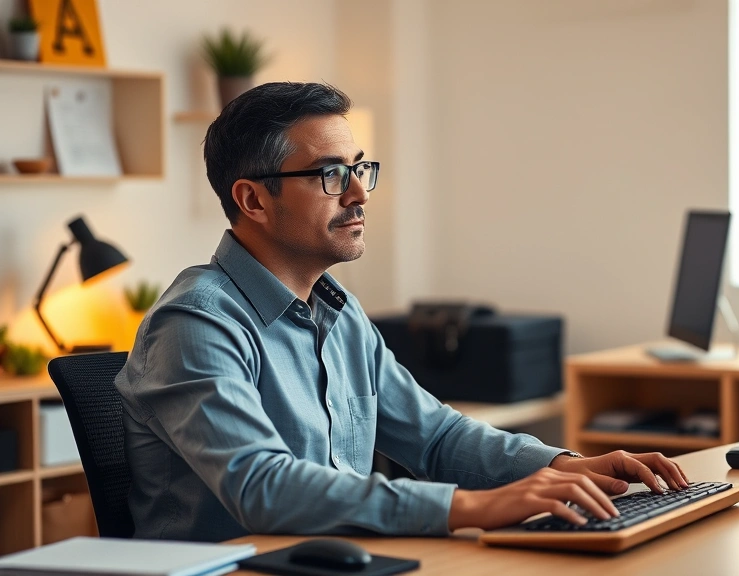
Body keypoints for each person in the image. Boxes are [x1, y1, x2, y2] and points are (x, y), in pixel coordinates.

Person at [115, 82, 688, 542]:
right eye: (330, 175)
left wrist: (560, 465)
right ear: (253, 200)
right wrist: (471, 506)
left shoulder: (338, 312)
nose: (359, 194)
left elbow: (435, 438)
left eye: (359, 169)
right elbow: (262, 487)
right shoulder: (195, 323)